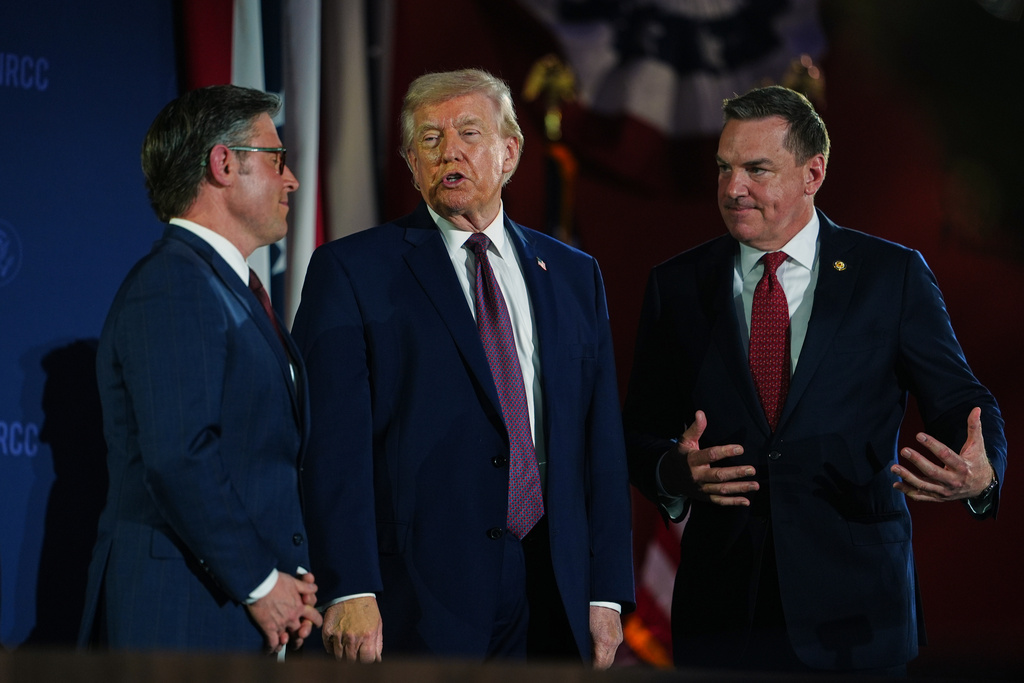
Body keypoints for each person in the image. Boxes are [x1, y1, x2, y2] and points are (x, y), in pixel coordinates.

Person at [623, 85, 1006, 675]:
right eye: (724, 168)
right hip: (723, 613)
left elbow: (962, 400)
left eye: (756, 170)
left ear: (813, 173)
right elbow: (639, 429)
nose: (732, 188)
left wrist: (982, 474)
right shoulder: (677, 286)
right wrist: (674, 472)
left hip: (857, 611)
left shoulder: (891, 275)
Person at [291, 69, 634, 667]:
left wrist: (606, 591)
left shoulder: (574, 275)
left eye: (468, 133)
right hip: (417, 593)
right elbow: (330, 446)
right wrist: (349, 585)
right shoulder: (350, 271)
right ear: (410, 163)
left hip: (553, 585)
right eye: (429, 139)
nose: (449, 151)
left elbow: (600, 443)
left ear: (510, 153)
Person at [78, 84, 322, 653]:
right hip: (182, 612)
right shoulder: (174, 283)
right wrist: (261, 583)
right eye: (277, 158)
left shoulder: (225, 288)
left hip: (234, 610)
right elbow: (179, 455)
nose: (291, 180)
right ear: (223, 164)